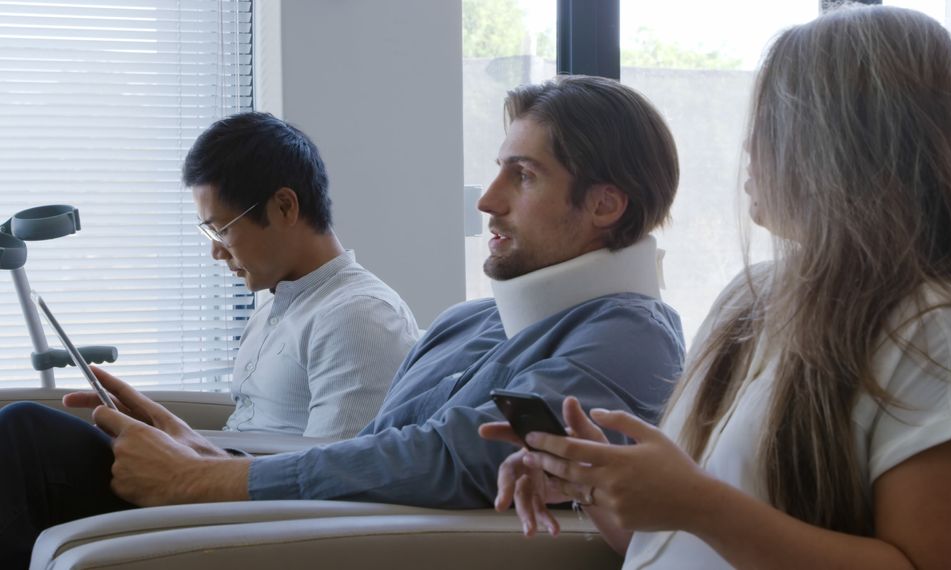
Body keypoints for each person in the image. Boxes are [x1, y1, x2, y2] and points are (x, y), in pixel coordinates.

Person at [0, 75, 685, 567]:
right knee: (29, 436)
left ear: (604, 205)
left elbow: (456, 457)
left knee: (25, 438)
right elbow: (376, 448)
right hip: (327, 512)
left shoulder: (631, 334)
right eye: (497, 171)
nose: (489, 201)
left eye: (524, 176)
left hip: (356, 541)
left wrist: (206, 480)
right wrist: (210, 451)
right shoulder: (470, 323)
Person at [480, 6, 951, 569]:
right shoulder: (753, 299)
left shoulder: (940, 339)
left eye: (775, 119)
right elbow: (673, 547)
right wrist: (593, 483)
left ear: (845, 143)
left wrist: (699, 504)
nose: (749, 145)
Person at [185, 112, 419, 439]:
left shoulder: (359, 317)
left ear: (284, 207)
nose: (217, 252)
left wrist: (188, 474)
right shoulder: (272, 310)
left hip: (256, 489)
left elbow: (331, 473)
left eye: (222, 230)